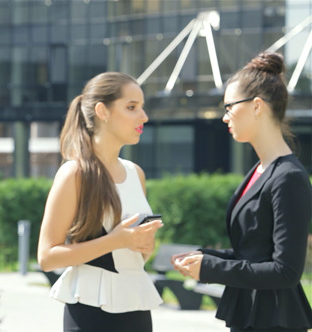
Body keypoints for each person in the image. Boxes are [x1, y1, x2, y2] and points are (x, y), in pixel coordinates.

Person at [172, 52, 312, 332]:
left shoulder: (289, 177)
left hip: (274, 319)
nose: (225, 117)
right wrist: (205, 258)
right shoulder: (259, 170)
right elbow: (253, 253)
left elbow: (286, 271)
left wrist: (211, 269)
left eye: (229, 107)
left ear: (257, 106)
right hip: (251, 314)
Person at [37, 72, 164, 332]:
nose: (143, 116)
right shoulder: (74, 174)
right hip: (90, 313)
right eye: (131, 107)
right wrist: (117, 240)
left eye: (142, 107)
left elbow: (132, 254)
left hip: (137, 308)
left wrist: (144, 245)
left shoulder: (135, 173)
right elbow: (47, 257)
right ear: (102, 111)